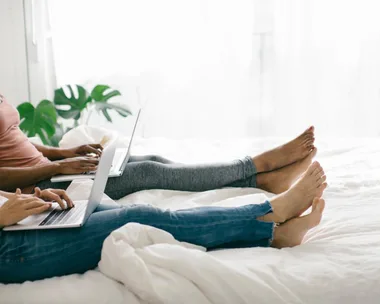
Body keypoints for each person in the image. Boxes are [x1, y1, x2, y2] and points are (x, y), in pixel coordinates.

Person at [0, 94, 327, 283]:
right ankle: (267, 214)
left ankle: (273, 232)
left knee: (148, 213)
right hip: (11, 250)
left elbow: (14, 140)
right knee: (138, 217)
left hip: (19, 219)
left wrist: (24, 201)